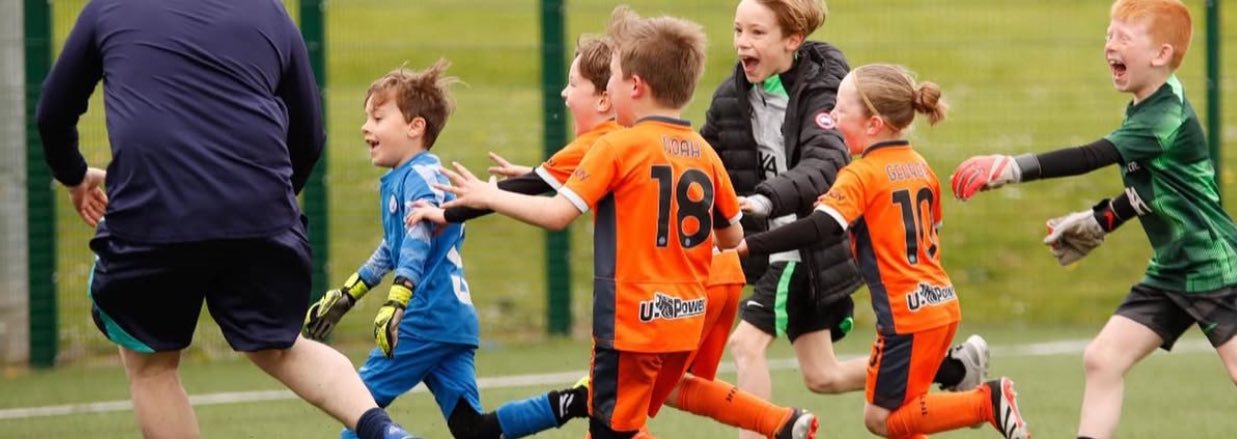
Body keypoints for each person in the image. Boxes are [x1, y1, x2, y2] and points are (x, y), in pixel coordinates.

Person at [35, 1, 414, 438]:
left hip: (153, 217)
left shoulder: (109, 7)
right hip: (262, 212)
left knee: (153, 366)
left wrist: (74, 176)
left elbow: (52, 114)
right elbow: (309, 136)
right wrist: (256, 205)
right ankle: (383, 431)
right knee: (282, 349)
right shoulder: (269, 11)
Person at [408, 34, 817, 439]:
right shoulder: (704, 152)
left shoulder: (618, 146)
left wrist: (488, 196)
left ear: (634, 86)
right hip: (685, 317)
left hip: (631, 324)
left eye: (615, 79)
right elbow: (731, 239)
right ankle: (776, 422)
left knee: (612, 428)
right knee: (637, 410)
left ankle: (775, 422)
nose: (578, 91)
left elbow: (555, 214)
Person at [947, 0, 1237, 437]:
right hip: (1173, 267)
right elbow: (1156, 189)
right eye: (1108, 34)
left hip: (1209, 264)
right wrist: (1104, 219)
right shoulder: (1147, 105)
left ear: (1161, 55)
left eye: (1123, 37)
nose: (1109, 45)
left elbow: (1092, 156)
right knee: (1103, 358)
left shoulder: (1163, 115)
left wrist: (1011, 168)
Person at [702, 2, 987, 433]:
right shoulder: (730, 97)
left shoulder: (826, 95)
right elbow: (706, 162)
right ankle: (945, 370)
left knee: (745, 345)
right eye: (739, 29)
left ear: (792, 41)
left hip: (802, 248)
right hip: (785, 249)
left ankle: (767, 427)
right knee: (823, 376)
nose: (743, 41)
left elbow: (822, 166)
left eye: (758, 32)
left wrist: (763, 203)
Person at [737, 63, 1030, 439]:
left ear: (873, 124)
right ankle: (971, 390)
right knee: (904, 413)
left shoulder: (861, 174)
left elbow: (819, 227)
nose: (830, 117)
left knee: (880, 418)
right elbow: (927, 230)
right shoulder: (920, 167)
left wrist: (749, 245)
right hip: (939, 304)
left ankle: (985, 402)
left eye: (840, 110)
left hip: (906, 319)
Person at [299, 59, 499, 438]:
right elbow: (393, 249)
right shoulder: (405, 177)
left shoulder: (419, 177)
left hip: (422, 318)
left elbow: (418, 239)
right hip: (451, 321)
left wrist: (397, 301)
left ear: (414, 127)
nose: (365, 127)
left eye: (377, 118)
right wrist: (349, 294)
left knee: (355, 410)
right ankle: (564, 403)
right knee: (472, 429)